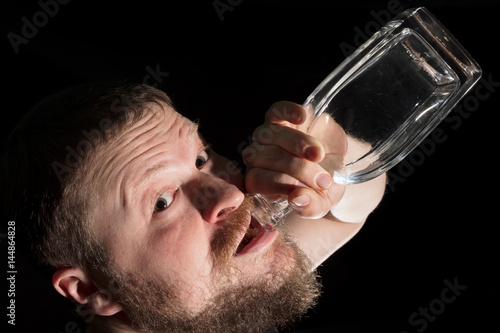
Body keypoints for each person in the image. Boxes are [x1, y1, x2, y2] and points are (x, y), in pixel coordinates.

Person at [1, 82, 386, 333]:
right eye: (162, 202)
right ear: (91, 288)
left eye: (202, 159)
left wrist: (327, 169)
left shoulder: (205, 298)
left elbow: (340, 214)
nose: (229, 195)